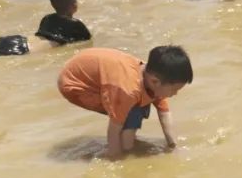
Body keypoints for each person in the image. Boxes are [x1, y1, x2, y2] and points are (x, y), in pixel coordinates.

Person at [57, 46, 192, 160]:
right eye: (174, 89)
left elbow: (164, 112)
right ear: (155, 81)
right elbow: (113, 129)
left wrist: (173, 145)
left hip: (91, 74)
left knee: (141, 100)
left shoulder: (152, 75)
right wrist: (117, 159)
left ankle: (128, 141)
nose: (175, 94)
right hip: (74, 85)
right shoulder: (127, 90)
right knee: (133, 106)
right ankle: (128, 147)